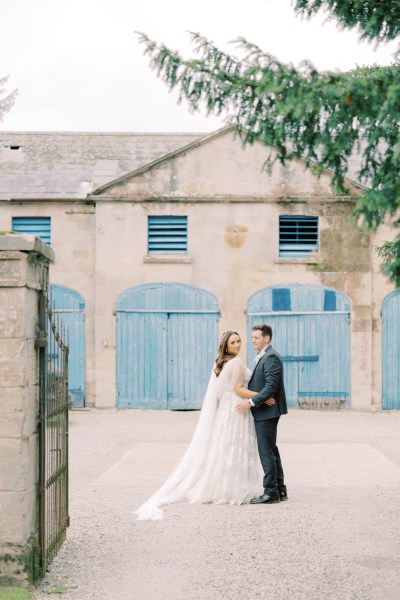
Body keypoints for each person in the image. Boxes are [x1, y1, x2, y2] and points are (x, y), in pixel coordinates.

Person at [134, 330, 275, 520]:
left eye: (239, 341)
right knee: (236, 446)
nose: (238, 344)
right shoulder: (236, 362)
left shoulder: (222, 363)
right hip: (237, 409)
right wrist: (261, 398)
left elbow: (222, 390)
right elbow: (238, 389)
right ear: (226, 346)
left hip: (226, 409)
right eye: (233, 342)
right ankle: (234, 490)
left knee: (225, 447)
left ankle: (223, 487)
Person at [236, 324, 288, 504]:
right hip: (266, 409)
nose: (252, 341)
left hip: (267, 411)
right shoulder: (266, 356)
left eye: (256, 337)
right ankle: (279, 489)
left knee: (266, 451)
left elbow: (271, 387)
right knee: (271, 450)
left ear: (267, 338)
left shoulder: (271, 357)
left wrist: (250, 402)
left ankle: (270, 492)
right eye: (252, 338)